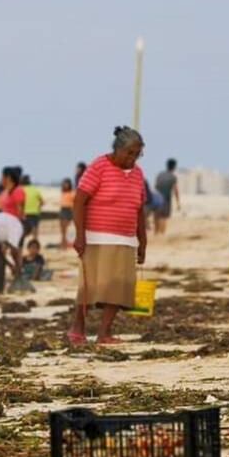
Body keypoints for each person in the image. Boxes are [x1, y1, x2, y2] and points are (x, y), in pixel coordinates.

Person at [69, 126, 148, 346]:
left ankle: (104, 332)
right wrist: (80, 235)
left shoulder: (138, 174)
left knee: (118, 288)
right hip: (96, 238)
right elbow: (79, 201)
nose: (133, 158)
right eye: (130, 153)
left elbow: (139, 209)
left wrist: (143, 241)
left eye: (137, 154)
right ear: (118, 149)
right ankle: (77, 329)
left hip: (125, 239)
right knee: (91, 287)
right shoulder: (99, 166)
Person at [154, 158, 182, 235]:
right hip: (166, 199)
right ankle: (162, 234)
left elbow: (156, 186)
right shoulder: (173, 177)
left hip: (157, 197)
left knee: (157, 216)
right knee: (164, 217)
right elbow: (176, 190)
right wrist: (178, 203)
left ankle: (156, 233)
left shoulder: (160, 174)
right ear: (174, 167)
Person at [21, 174, 44, 239]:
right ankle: (35, 241)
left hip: (25, 212)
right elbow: (42, 202)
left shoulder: (21, 190)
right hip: (35, 211)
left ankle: (22, 242)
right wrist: (38, 207)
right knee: (35, 227)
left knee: (24, 228)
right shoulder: (35, 189)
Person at [59, 178, 75, 248]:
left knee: (66, 229)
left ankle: (65, 244)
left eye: (67, 184)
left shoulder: (72, 193)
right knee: (62, 230)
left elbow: (74, 203)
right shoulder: (62, 192)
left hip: (69, 210)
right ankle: (63, 243)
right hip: (62, 210)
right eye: (64, 183)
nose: (65, 185)